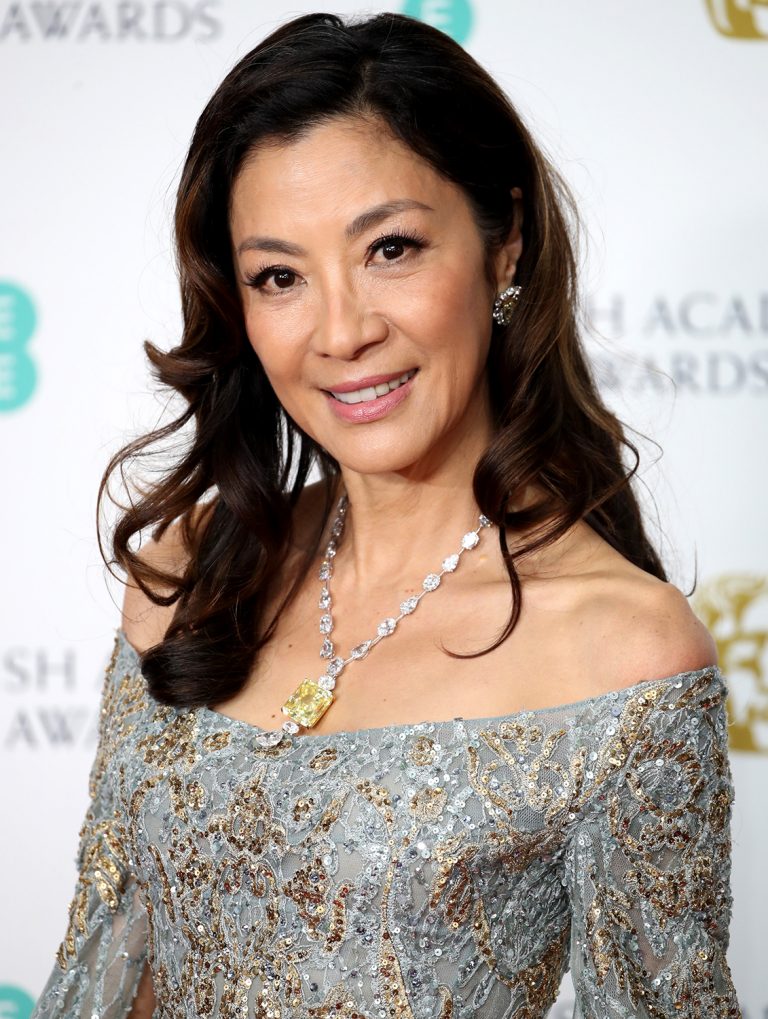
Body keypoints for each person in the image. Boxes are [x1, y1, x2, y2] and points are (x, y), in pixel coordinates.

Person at [31, 11, 740, 1019]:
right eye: (280, 276)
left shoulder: (625, 650)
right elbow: (105, 975)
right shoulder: (192, 569)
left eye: (391, 248)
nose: (342, 331)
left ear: (505, 246)